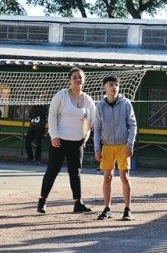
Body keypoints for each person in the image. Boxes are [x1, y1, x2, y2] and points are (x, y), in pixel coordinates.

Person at [37, 67, 96, 214]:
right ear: (70, 79)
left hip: (77, 142)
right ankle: (42, 201)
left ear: (84, 80)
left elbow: (92, 122)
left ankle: (78, 203)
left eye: (80, 77)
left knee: (75, 172)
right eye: (74, 77)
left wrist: (85, 138)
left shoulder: (88, 100)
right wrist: (54, 135)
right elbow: (52, 115)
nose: (77, 79)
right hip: (60, 140)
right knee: (52, 170)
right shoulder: (62, 95)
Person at [94, 76, 137, 221]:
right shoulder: (100, 106)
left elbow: (133, 125)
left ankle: (127, 209)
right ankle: (107, 208)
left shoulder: (125, 103)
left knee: (124, 176)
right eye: (111, 85)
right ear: (104, 88)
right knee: (107, 177)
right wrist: (97, 148)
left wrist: (130, 144)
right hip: (107, 146)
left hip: (122, 145)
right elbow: (97, 128)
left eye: (117, 85)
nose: (114, 87)